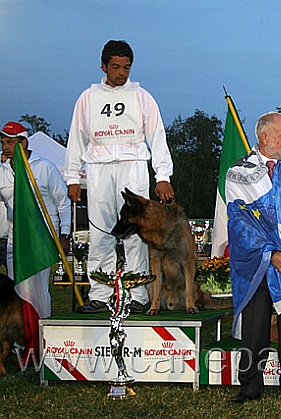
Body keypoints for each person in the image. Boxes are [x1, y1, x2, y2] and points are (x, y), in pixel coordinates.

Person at [65, 40, 174, 314]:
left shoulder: (142, 96)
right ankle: (100, 294)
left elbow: (158, 137)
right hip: (99, 166)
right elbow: (76, 138)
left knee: (136, 231)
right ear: (103, 66)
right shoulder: (88, 98)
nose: (121, 73)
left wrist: (163, 175)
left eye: (126, 67)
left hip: (134, 165)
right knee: (100, 231)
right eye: (115, 67)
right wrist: (72, 178)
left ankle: (136, 294)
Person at [226, 112, 281, 404]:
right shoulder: (239, 173)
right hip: (256, 265)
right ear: (265, 137)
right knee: (255, 329)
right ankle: (250, 386)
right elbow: (240, 223)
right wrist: (271, 254)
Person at [0, 121, 71, 357]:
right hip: (15, 239)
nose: (5, 146)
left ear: (23, 142)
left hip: (42, 238)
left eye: (10, 142)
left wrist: (64, 234)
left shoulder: (45, 167)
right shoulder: (2, 171)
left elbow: (63, 202)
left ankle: (43, 342)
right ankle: (20, 345)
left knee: (39, 291)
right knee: (17, 289)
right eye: (2, 142)